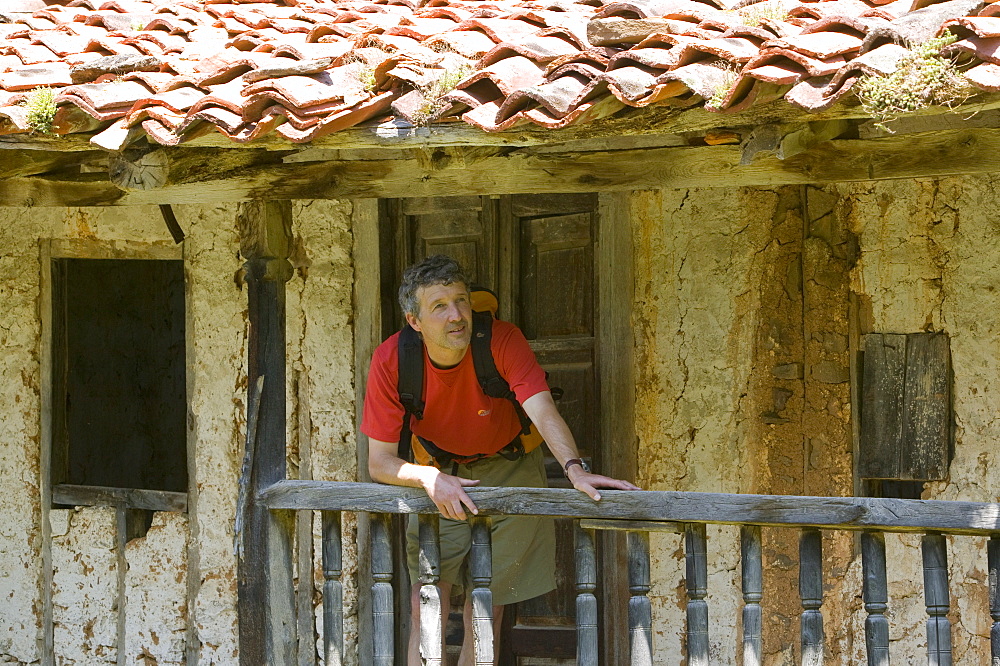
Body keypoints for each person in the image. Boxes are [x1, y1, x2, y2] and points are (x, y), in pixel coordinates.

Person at [362, 254, 639, 665]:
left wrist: (573, 468)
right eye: (439, 306)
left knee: (484, 609)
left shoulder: (501, 340)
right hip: (437, 472)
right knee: (427, 603)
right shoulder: (391, 359)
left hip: (510, 467)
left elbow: (542, 410)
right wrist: (426, 478)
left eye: (461, 300)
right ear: (414, 321)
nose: (456, 315)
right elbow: (379, 462)